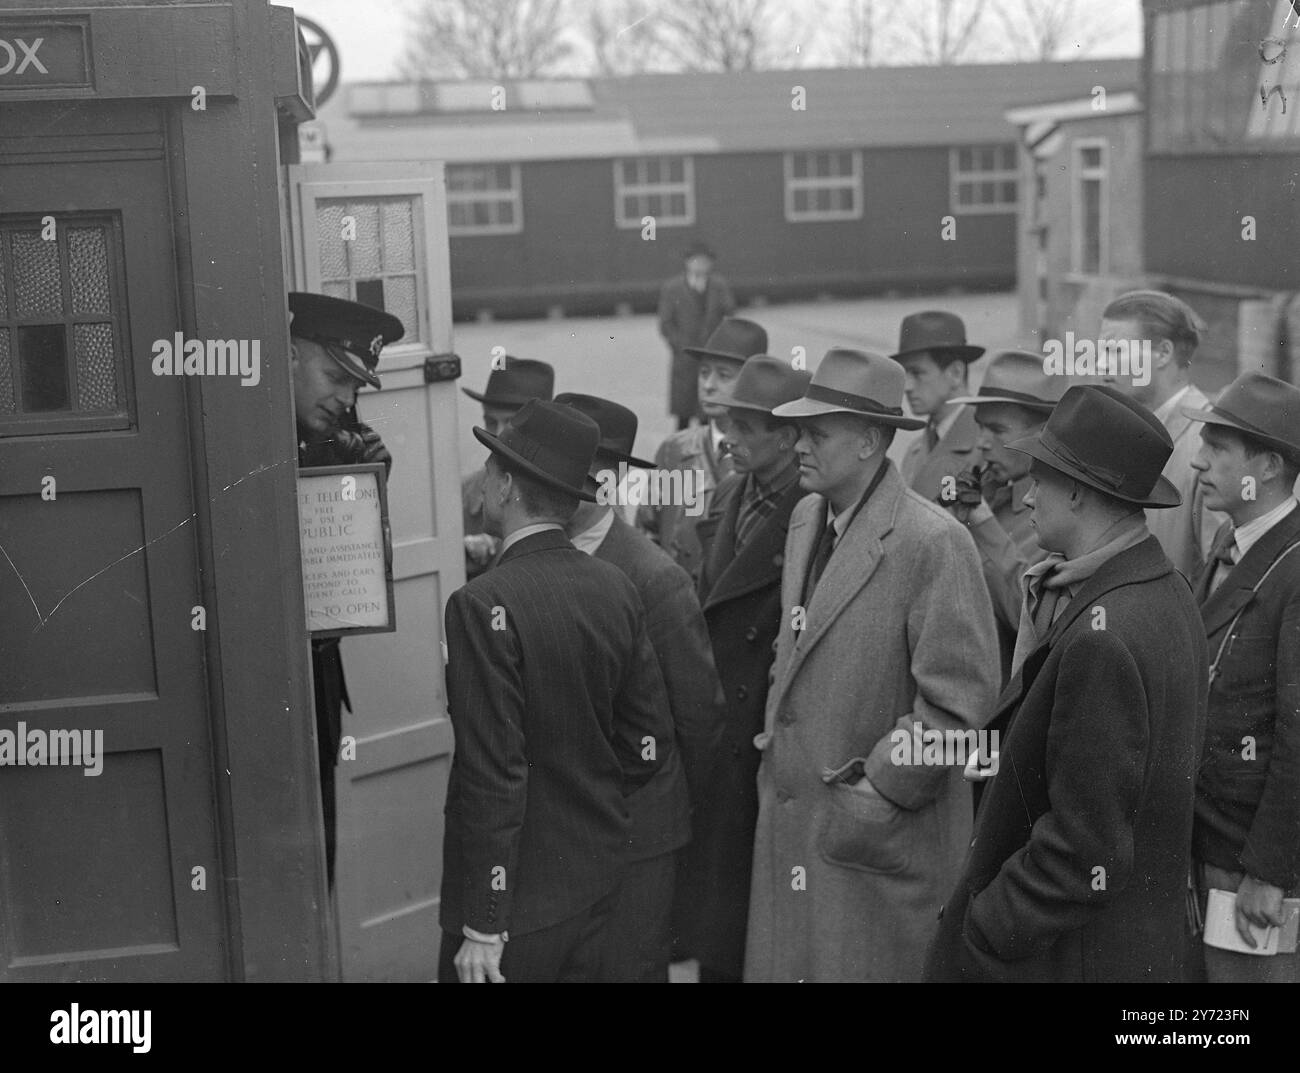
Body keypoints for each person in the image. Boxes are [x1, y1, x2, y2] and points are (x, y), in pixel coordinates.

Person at [924, 385, 1208, 983]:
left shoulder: (1104, 634)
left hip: (1070, 960)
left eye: (1040, 481)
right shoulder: (1165, 589)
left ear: (1078, 492)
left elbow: (1083, 851)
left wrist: (985, 928)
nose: (1026, 499)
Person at [744, 349, 1000, 982]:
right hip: (797, 834)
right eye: (800, 429)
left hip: (875, 847)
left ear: (869, 442)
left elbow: (959, 711)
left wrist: (879, 786)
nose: (799, 444)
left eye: (816, 432)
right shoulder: (807, 518)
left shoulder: (934, 542)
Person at [438, 400, 673, 984]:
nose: (485, 479)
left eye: (492, 467)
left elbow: (492, 771)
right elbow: (649, 742)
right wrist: (586, 788)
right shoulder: (615, 585)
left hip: (514, 909)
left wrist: (483, 925)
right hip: (595, 881)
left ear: (509, 485)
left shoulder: (481, 603)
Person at [555, 392, 726, 983]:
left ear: (609, 480)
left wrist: (665, 811)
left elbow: (698, 722)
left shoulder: (656, 580)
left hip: (638, 837)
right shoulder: (535, 557)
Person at [688, 354, 810, 983]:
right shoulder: (733, 491)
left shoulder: (813, 512)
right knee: (721, 913)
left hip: (762, 735)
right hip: (722, 731)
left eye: (743, 427)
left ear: (788, 438)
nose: (727, 438)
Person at [1184, 372, 1300, 983]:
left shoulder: (1294, 563)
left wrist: (1271, 871)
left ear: (1271, 466)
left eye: (1218, 448)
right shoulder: (1233, 539)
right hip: (1214, 842)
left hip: (1252, 864)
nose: (1199, 462)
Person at [289, 291, 403, 888]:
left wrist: (368, 486)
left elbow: (359, 573)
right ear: (288, 354)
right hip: (267, 691)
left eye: (357, 386)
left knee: (318, 865)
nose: (346, 398)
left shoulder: (337, 440)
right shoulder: (252, 439)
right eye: (335, 375)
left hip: (318, 684)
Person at [944, 350, 1066, 681]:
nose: (982, 443)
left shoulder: (1059, 516)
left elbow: (1029, 618)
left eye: (998, 430)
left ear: (1045, 433)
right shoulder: (985, 489)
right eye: (980, 427)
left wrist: (981, 524)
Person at [1099, 290, 1225, 580]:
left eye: (1116, 351)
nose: (1102, 365)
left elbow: (1222, 585)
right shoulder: (1122, 434)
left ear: (1164, 353)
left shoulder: (1208, 446)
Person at [637, 317, 765, 583]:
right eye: (704, 372)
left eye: (723, 375)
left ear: (753, 382)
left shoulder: (768, 455)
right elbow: (646, 533)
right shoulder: (675, 450)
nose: (708, 385)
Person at [460, 357, 554, 578]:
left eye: (512, 422)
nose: (500, 433)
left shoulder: (579, 496)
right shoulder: (466, 493)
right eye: (491, 421)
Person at [892, 310, 985, 501]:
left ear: (955, 373)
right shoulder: (915, 450)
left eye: (917, 373)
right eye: (905, 374)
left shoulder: (986, 445)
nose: (907, 386)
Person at [658, 240, 735, 429]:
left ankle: (706, 453)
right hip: (684, 358)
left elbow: (730, 316)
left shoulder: (719, 286)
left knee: (708, 412)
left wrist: (720, 345)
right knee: (683, 414)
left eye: (705, 261)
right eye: (696, 261)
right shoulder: (672, 288)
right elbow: (666, 323)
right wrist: (679, 345)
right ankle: (681, 452)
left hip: (712, 358)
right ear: (687, 262)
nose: (701, 265)